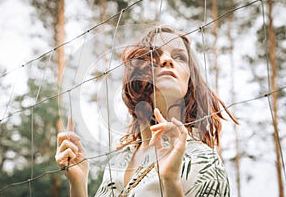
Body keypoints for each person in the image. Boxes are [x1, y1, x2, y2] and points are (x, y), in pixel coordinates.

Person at [55, 26, 238, 197]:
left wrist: (171, 182)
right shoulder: (117, 163)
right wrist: (78, 184)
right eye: (154, 54)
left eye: (180, 57)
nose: (167, 60)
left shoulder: (205, 161)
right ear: (133, 75)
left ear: (190, 81)